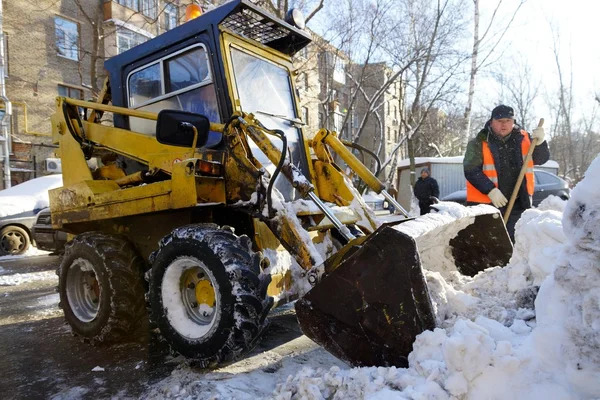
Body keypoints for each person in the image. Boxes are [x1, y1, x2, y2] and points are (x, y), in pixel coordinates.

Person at [463, 104, 549, 242]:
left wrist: (541, 143)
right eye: (500, 121)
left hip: (518, 202)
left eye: (508, 121)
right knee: (486, 242)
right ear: (491, 122)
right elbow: (471, 170)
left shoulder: (525, 138)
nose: (504, 125)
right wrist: (490, 190)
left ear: (513, 122)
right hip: (486, 204)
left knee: (514, 243)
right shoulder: (479, 142)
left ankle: (510, 264)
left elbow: (541, 159)